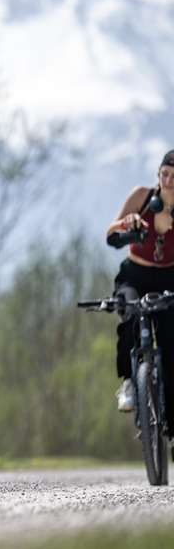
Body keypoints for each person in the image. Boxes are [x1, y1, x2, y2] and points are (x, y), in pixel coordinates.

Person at [106, 150, 174, 422]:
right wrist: (127, 222)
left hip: (169, 279)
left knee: (171, 347)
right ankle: (130, 383)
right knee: (130, 318)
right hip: (134, 276)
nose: (169, 180)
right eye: (165, 174)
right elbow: (110, 234)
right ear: (158, 174)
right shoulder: (142, 196)